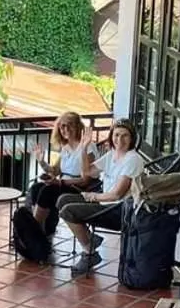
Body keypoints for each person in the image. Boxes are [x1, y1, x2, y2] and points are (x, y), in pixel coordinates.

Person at [59, 116, 145, 276]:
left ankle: (89, 251)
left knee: (68, 211)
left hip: (119, 210)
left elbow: (116, 195)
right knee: (62, 200)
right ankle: (90, 240)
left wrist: (92, 197)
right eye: (116, 135)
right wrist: (83, 149)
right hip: (105, 202)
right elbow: (87, 172)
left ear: (132, 138)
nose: (120, 139)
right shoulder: (113, 154)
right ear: (111, 137)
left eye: (125, 135)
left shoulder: (133, 160)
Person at [29, 111, 93, 228]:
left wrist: (60, 182)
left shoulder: (87, 147)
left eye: (70, 125)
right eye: (63, 126)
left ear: (78, 127)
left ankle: (34, 230)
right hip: (63, 184)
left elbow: (86, 180)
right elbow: (54, 171)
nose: (66, 129)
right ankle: (45, 227)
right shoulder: (65, 147)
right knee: (35, 188)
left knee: (47, 191)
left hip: (79, 188)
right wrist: (41, 161)